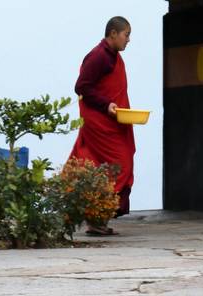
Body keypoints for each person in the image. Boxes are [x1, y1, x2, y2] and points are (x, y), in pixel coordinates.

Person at [69, 16, 135, 235]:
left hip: (113, 122)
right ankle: (95, 217)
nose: (128, 40)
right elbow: (82, 87)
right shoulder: (99, 57)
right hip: (99, 122)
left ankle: (98, 220)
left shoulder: (113, 57)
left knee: (98, 166)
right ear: (113, 33)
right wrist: (106, 105)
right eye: (126, 35)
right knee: (118, 164)